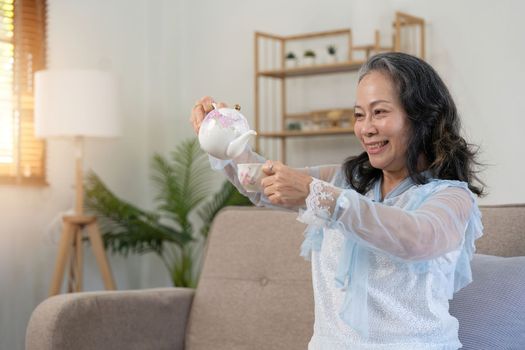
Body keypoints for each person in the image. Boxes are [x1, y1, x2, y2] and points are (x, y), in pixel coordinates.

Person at [189, 52, 484, 350]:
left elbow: (417, 238)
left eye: (379, 112)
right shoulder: (346, 180)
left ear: (422, 117)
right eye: (358, 115)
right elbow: (262, 186)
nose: (366, 128)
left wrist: (320, 196)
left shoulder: (452, 197)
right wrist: (225, 140)